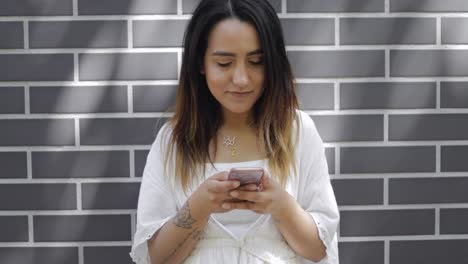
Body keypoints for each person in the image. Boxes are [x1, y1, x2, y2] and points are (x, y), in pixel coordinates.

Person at [129, 0, 340, 263]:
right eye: (224, 63)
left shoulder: (298, 133)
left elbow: (319, 249)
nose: (241, 79)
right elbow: (157, 257)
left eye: (256, 61)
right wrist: (198, 208)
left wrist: (281, 206)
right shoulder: (173, 141)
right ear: (201, 64)